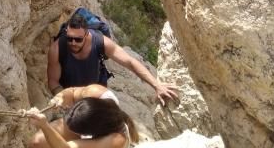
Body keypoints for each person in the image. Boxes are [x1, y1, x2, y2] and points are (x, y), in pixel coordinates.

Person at [47, 12, 178, 106]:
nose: (73, 43)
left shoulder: (101, 42)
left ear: (87, 35)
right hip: (71, 93)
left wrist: (157, 85)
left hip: (96, 92)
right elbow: (53, 81)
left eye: (78, 39)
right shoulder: (57, 49)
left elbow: (130, 62)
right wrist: (63, 96)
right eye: (70, 38)